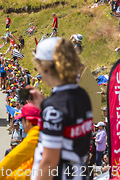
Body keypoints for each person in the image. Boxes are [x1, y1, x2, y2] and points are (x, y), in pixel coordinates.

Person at [30, 37, 92, 180]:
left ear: (45, 67)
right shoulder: (83, 95)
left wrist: (48, 107)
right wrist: (45, 106)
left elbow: (49, 161)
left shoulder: (53, 107)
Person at [0, 104, 40, 180]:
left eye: (21, 120)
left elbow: (13, 158)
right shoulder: (40, 133)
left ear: (28, 122)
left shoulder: (35, 134)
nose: (21, 123)